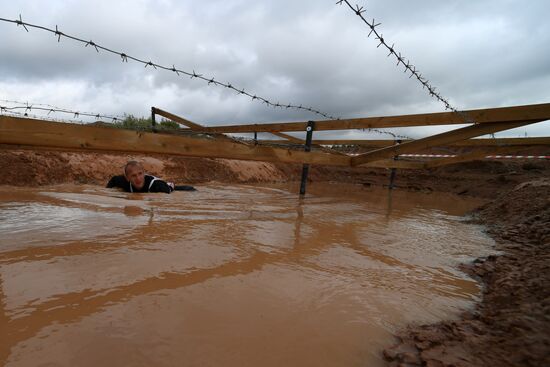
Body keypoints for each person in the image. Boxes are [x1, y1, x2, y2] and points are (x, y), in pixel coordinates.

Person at [107, 160, 195, 193]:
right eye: (133, 176)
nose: (138, 178)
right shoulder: (124, 182)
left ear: (144, 173)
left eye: (140, 174)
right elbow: (114, 180)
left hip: (174, 188)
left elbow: (170, 193)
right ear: (127, 178)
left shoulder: (156, 185)